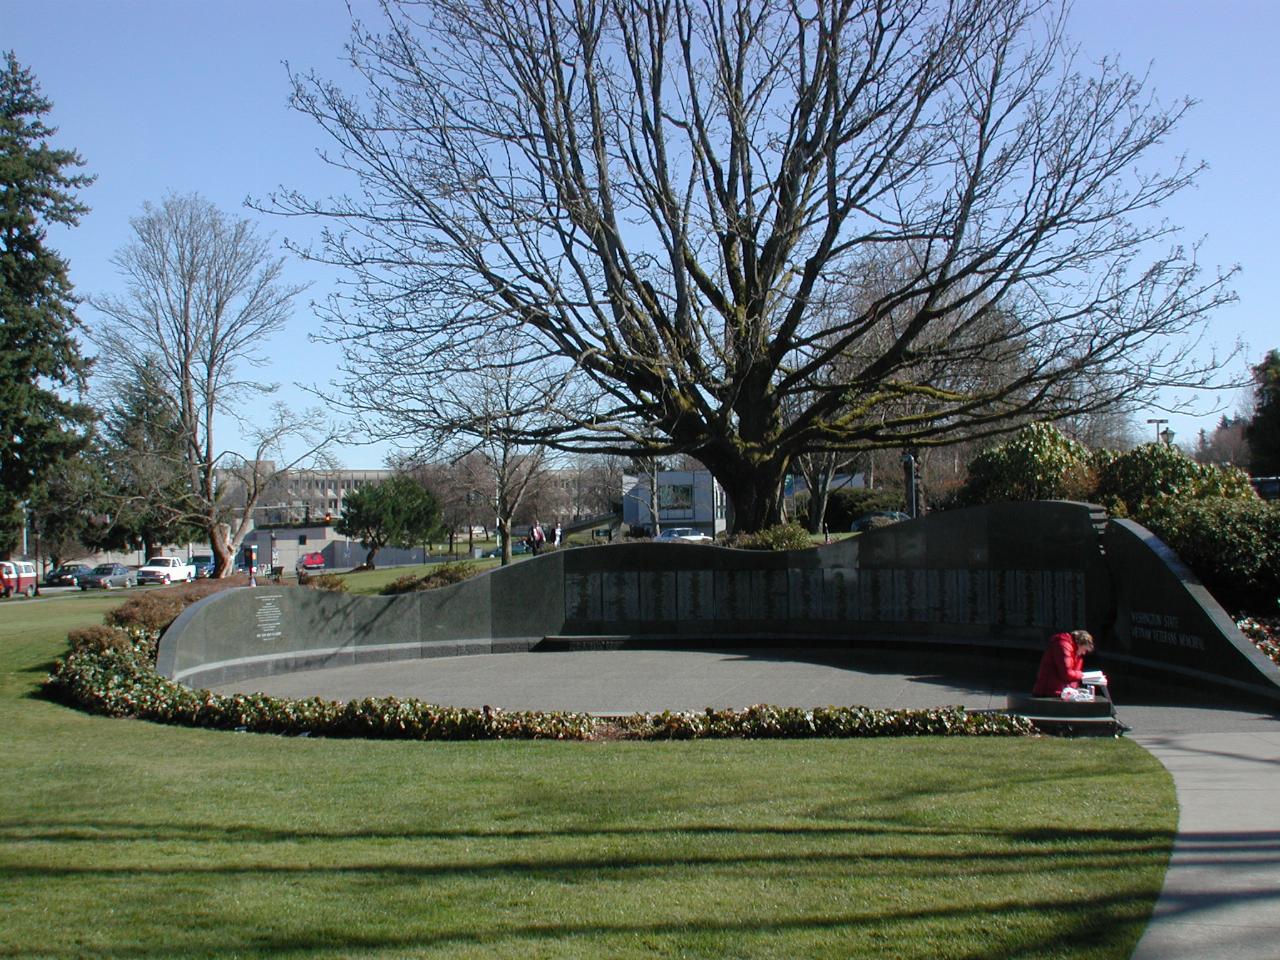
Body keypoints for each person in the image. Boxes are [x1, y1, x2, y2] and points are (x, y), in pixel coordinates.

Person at [1033, 630, 1095, 697]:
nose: (1084, 653)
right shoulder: (1063, 645)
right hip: (1049, 692)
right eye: (1084, 649)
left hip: (1062, 691)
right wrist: (1082, 675)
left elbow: (1072, 674)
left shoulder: (1076, 653)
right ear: (1080, 643)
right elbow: (1066, 673)